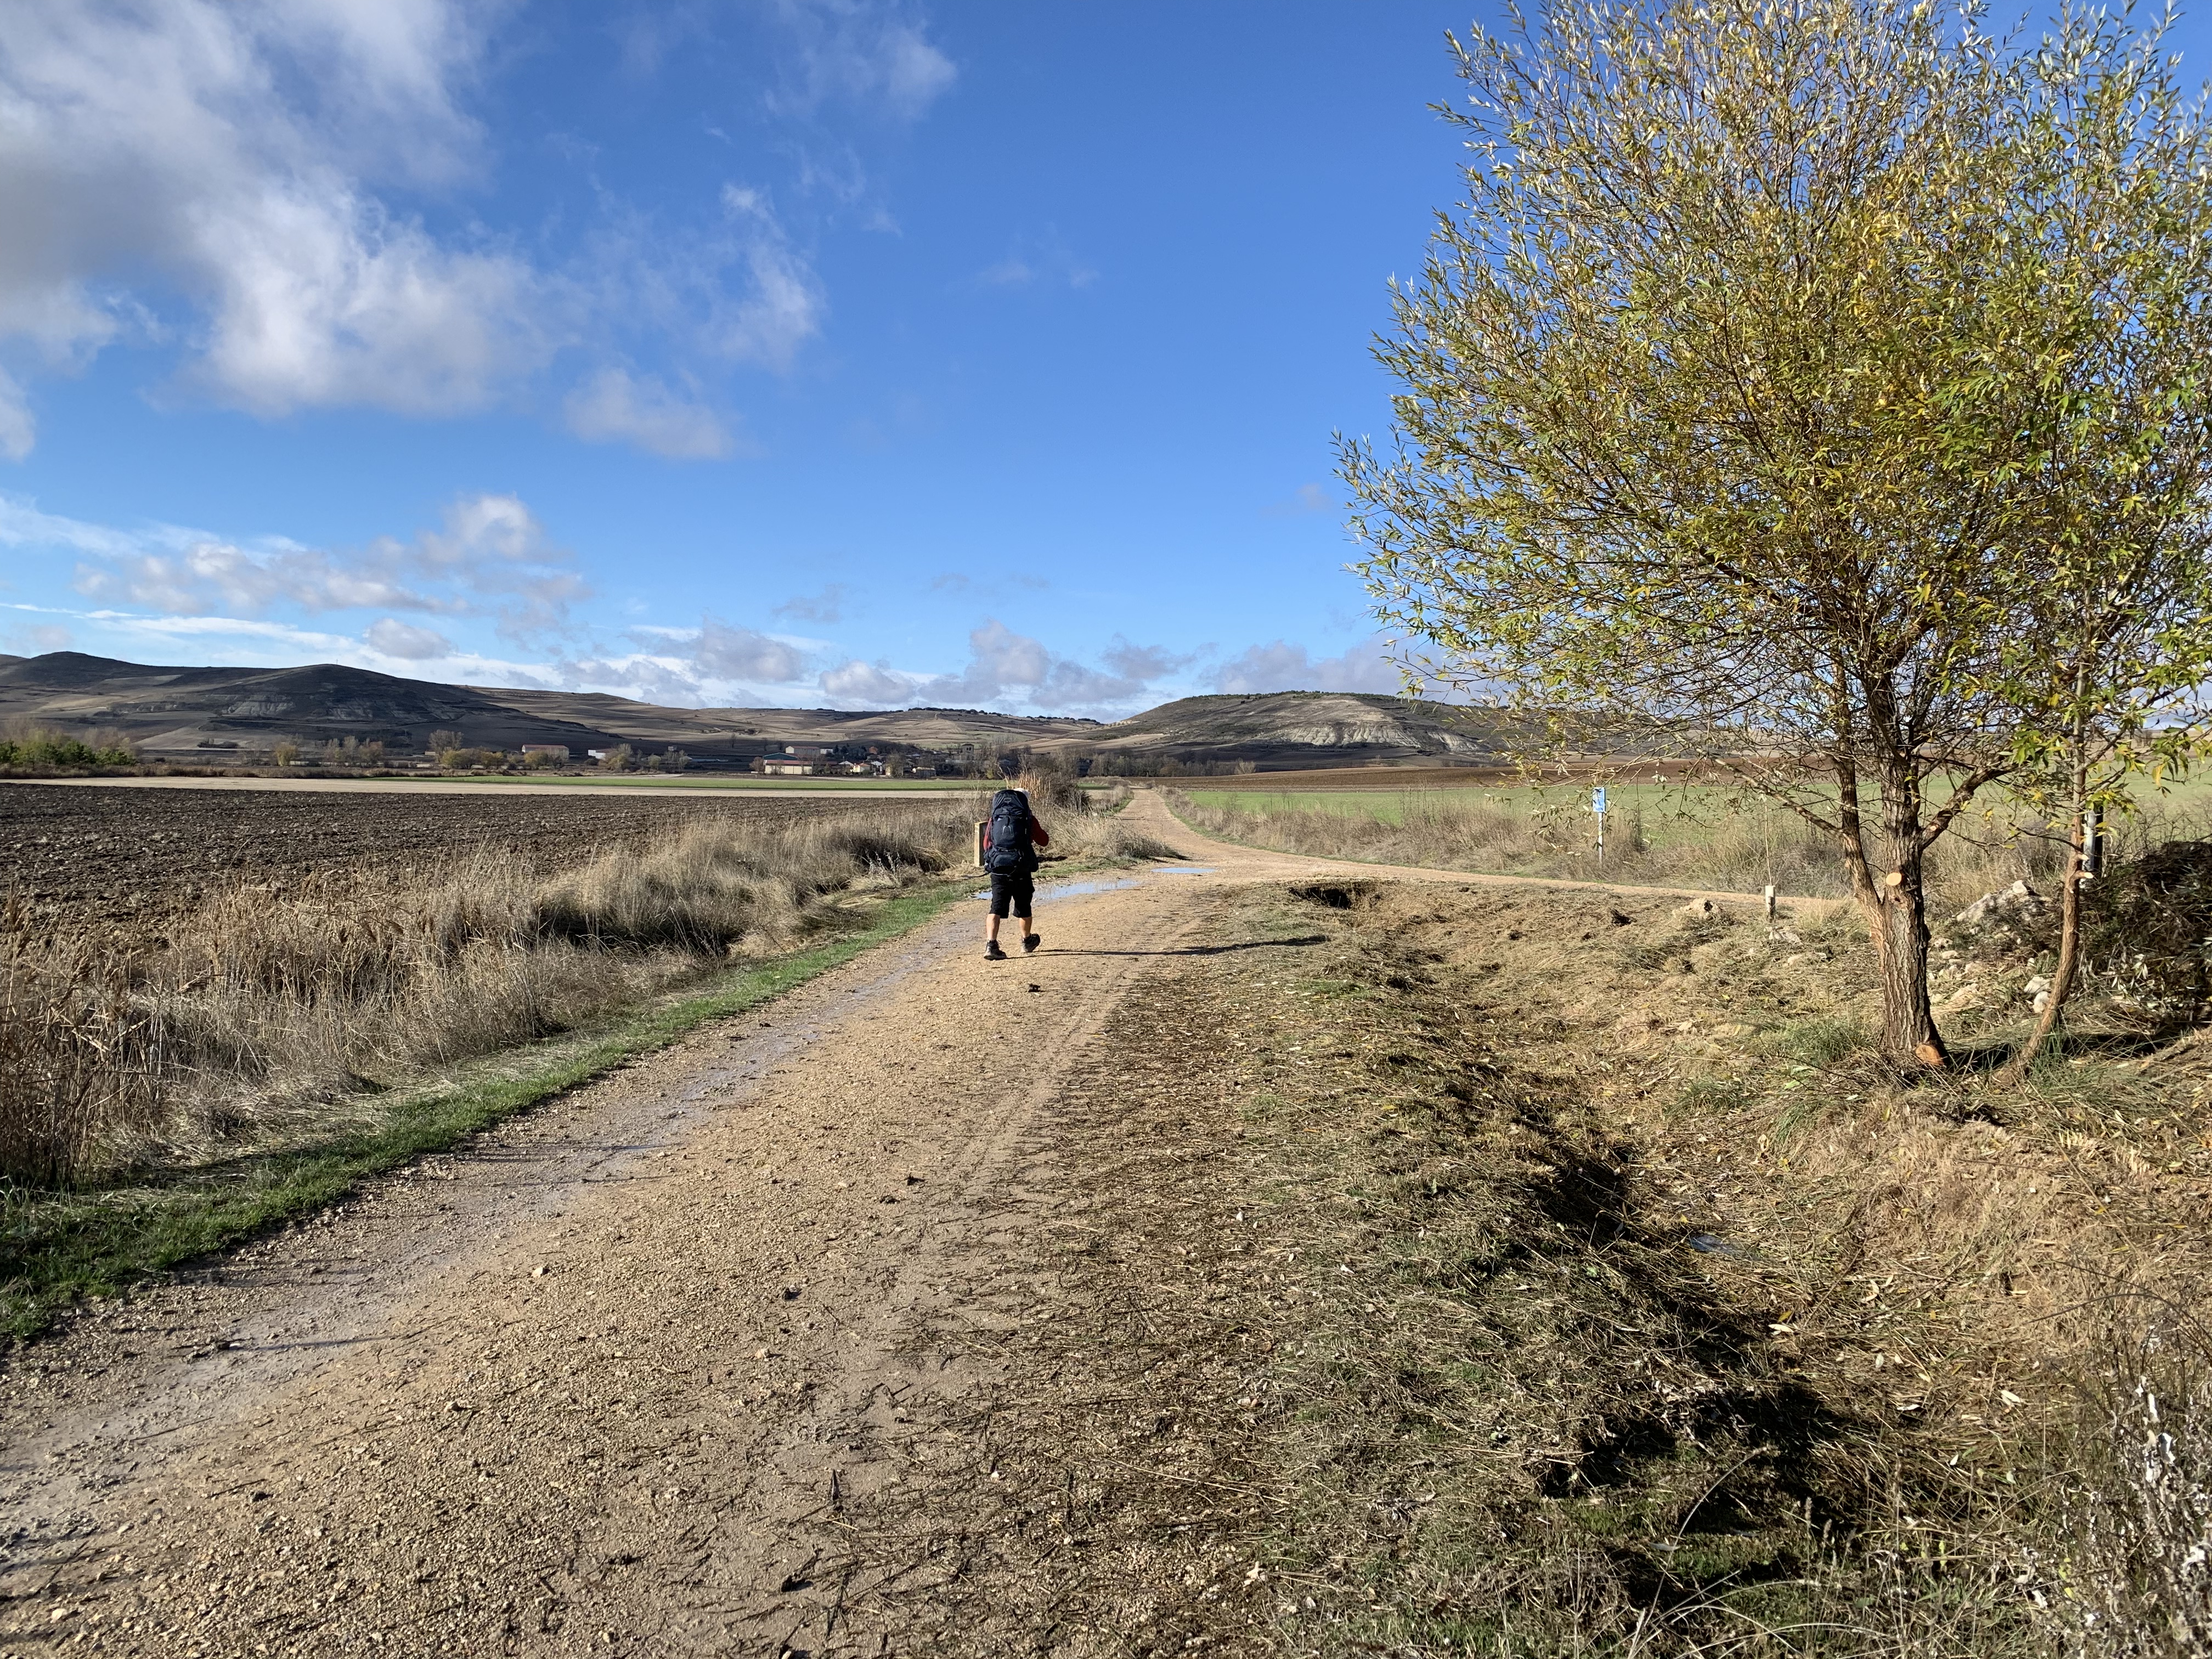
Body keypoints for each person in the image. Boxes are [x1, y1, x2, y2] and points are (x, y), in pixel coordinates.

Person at [980, 785, 1049, 960]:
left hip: (998, 868)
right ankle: (1026, 942)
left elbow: (986, 844)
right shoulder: (1027, 818)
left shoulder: (996, 818)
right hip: (1021, 867)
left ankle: (991, 945)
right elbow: (1044, 841)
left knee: (996, 906)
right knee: (1024, 906)